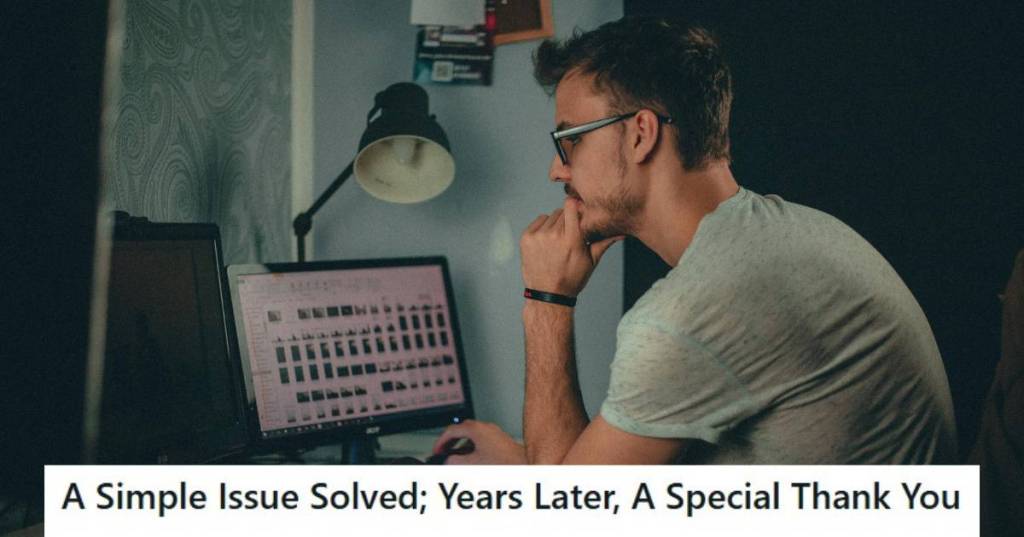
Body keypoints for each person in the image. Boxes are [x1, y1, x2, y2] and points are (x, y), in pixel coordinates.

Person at [433, 17, 957, 464]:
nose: (556, 169)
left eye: (570, 141)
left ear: (640, 134)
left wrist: (547, 299)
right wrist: (528, 460)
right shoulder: (789, 232)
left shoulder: (691, 311)